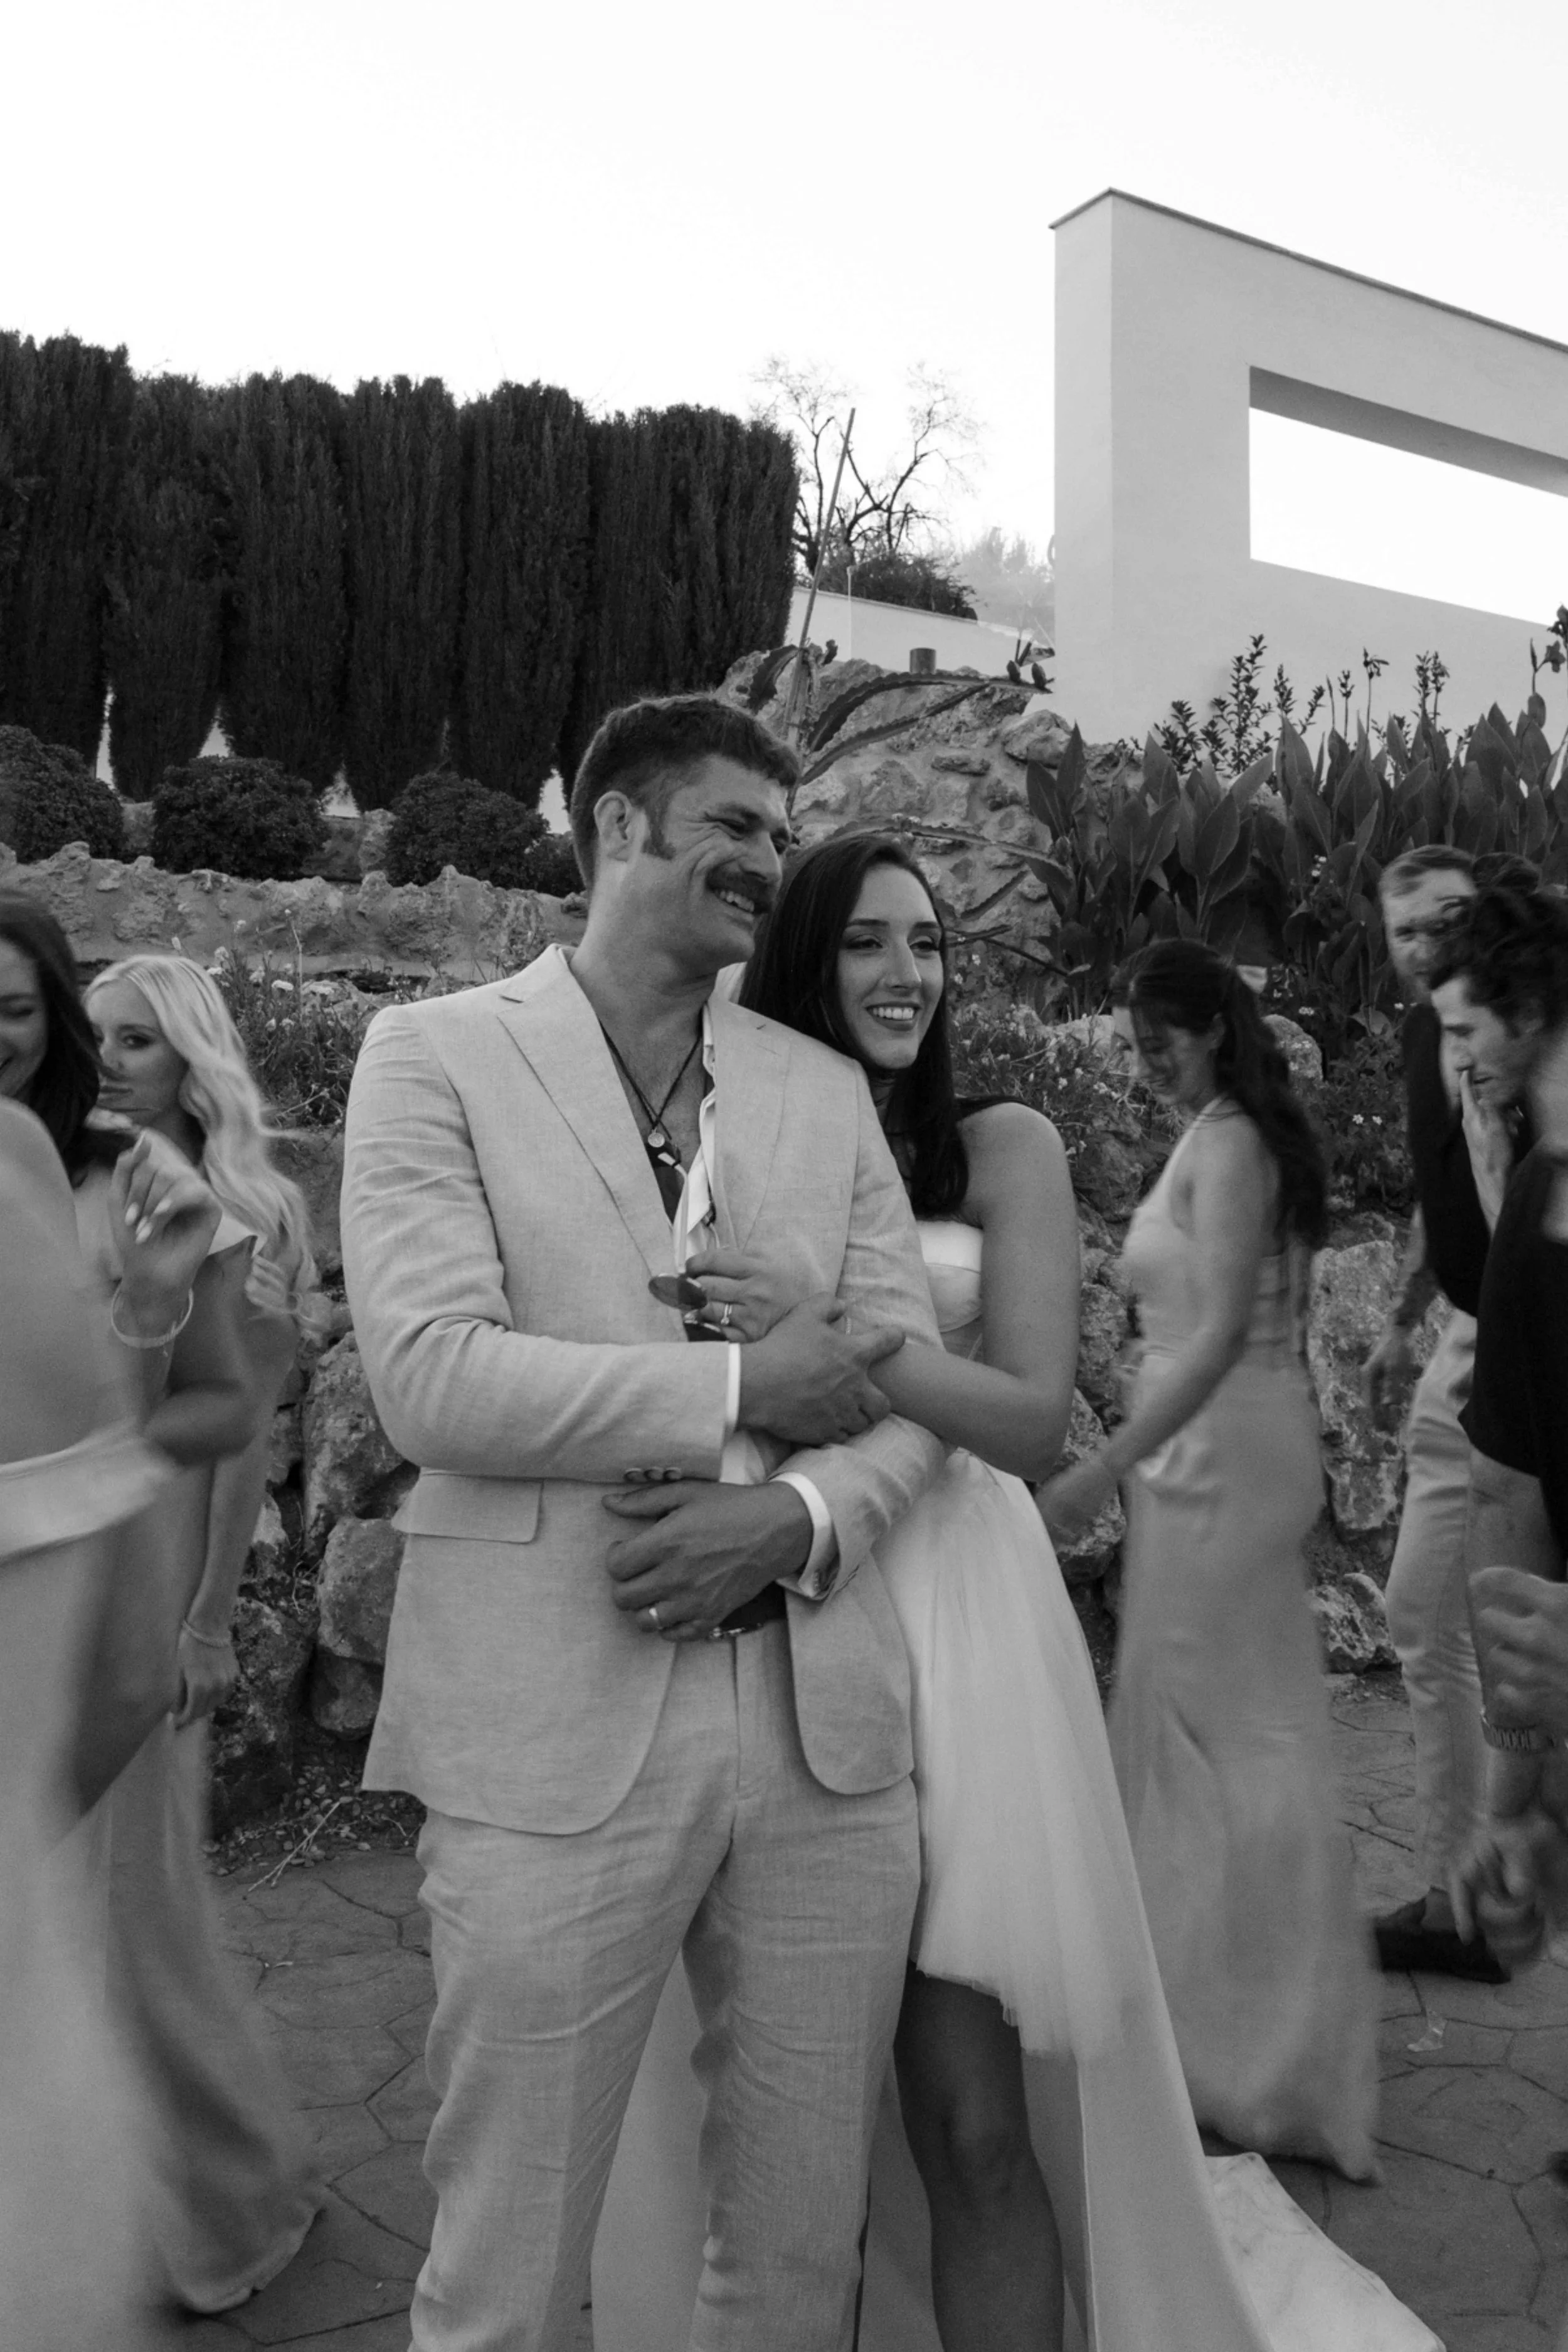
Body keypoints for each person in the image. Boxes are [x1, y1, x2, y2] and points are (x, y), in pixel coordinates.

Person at [598, 842, 1435, 2352]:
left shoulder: (1002, 1143)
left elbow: (1030, 1416)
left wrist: (831, 1338)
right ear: (803, 958)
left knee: (965, 2107)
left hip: (958, 1629)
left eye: (925, 944)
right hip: (777, 1607)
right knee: (778, 2121)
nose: (904, 972)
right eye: (863, 943)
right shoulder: (729, 1137)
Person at [341, 697, 947, 2352]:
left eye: (780, 826)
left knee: (797, 2258)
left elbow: (901, 1383)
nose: (769, 856)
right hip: (550, 1736)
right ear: (618, 825)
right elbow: (432, 1378)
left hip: (826, 1736)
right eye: (735, 823)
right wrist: (746, 1380)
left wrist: (794, 1515)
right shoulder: (435, 1053)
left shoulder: (821, 1090)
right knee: (508, 2267)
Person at [1040, 939, 1380, 2181]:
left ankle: (1264, 2052)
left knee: (1232, 1743)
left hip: (1222, 1454)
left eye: (1154, 1044)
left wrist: (1096, 1462)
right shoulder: (1220, 1130)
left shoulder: (1231, 1141)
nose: (1144, 1069)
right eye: (1132, 1048)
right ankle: (1205, 2032)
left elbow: (1224, 1327)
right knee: (1201, 1736)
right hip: (1205, 1451)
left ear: (1208, 1029)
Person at [1362, 847, 1537, 1980]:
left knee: (1467, 1631)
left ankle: (1481, 1890)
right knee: (1432, 1623)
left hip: (1523, 1348)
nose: (1426, 948)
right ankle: (1462, 1893)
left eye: (1449, 923)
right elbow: (1445, 1190)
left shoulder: (1520, 1041)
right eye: (1407, 930)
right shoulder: (1440, 1038)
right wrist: (1402, 1319)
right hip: (1471, 1342)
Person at [1430, 889, 1568, 1972]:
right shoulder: (1530, 1210)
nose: (1457, 1058)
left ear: (1525, 1012)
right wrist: (1511, 1806)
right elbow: (1508, 1504)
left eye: (1467, 1025)